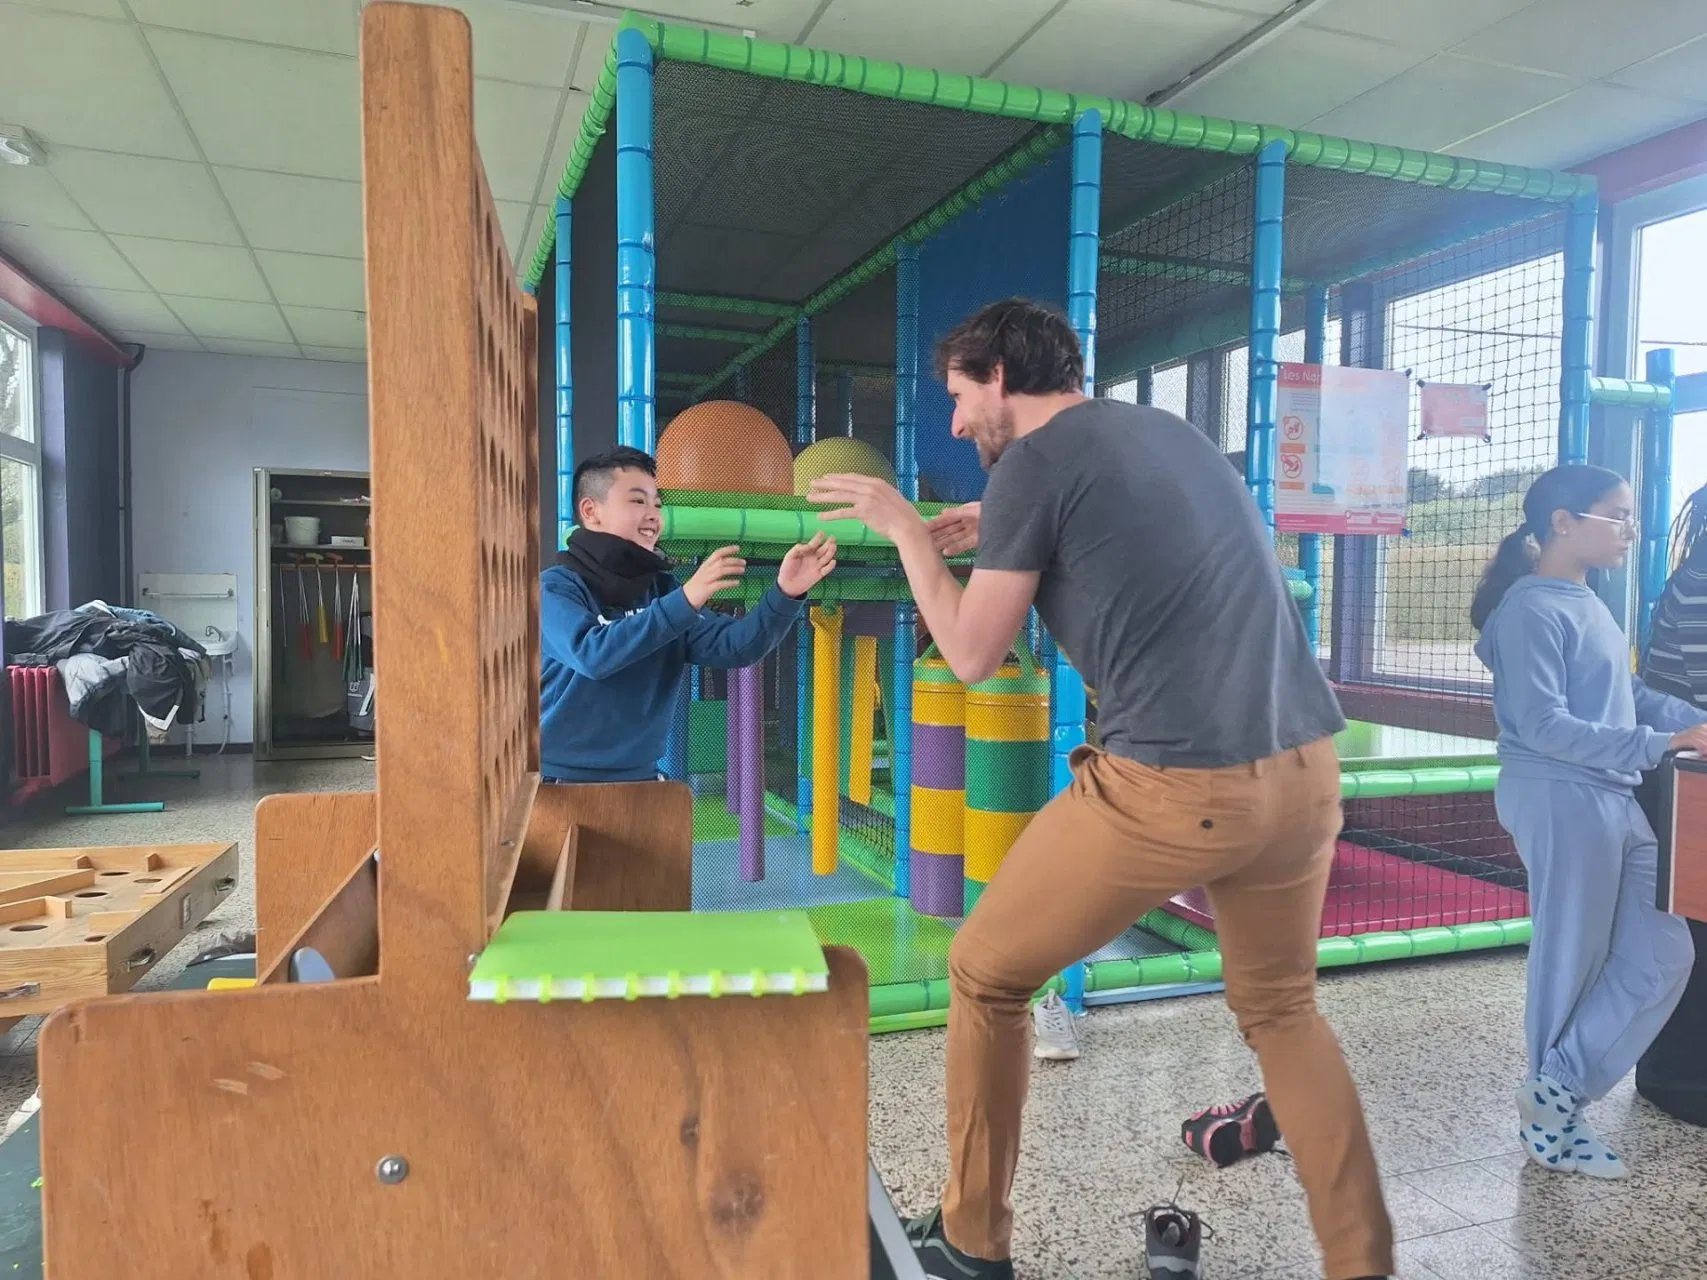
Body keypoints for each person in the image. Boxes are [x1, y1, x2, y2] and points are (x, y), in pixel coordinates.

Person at [808, 299, 1393, 1280]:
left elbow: (972, 653)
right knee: (1283, 1011)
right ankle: (1363, 1261)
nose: (956, 421)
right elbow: (1138, 533)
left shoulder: (1033, 464)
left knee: (985, 972)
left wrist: (906, 530)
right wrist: (999, 523)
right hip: (1303, 767)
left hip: (1175, 781)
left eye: (959, 396)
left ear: (999, 374)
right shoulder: (1165, 433)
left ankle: (971, 1240)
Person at [1471, 464, 1707, 1178]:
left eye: (1631, 516)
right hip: (1561, 795)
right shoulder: (1528, 610)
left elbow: (1628, 691)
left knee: (1665, 952)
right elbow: (1543, 726)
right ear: (1562, 523)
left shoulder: (1587, 602)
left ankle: (1558, 1087)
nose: (1630, 530)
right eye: (1616, 515)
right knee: (1569, 957)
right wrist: (1659, 744)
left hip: (1611, 795)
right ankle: (1552, 1119)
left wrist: (1692, 722)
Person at [540, 446, 836, 783]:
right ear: (591, 511)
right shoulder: (555, 588)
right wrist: (685, 600)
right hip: (556, 783)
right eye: (637, 501)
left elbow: (738, 646)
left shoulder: (663, 591)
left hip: (640, 782)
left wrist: (786, 593)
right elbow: (592, 654)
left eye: (657, 504)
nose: (653, 515)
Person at [1633, 482, 1707, 1126]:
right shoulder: (1702, 579)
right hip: (1688, 779)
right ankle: (1679, 1080)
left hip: (1687, 773)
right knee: (1696, 933)